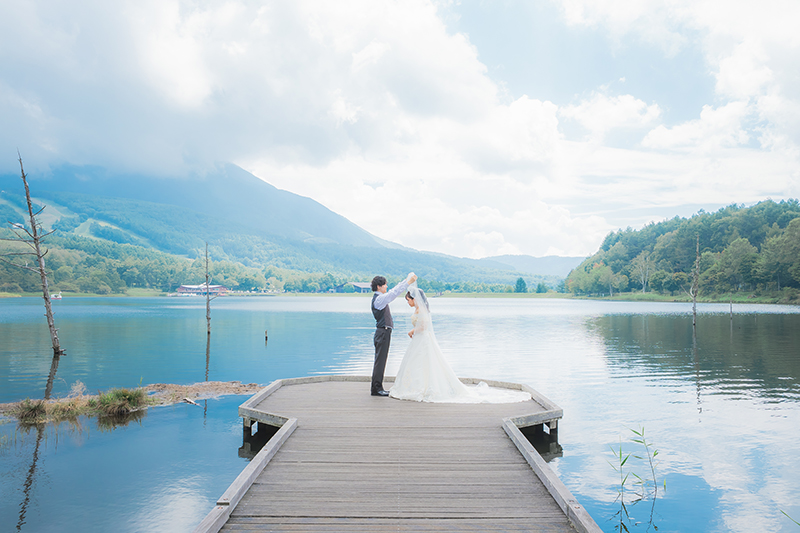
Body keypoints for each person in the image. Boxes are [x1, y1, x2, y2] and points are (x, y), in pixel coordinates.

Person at [389, 283, 531, 403]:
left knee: (425, 362)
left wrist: (413, 331)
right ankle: (414, 386)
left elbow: (424, 325)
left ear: (414, 299)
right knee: (417, 363)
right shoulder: (418, 309)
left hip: (423, 339)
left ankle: (423, 388)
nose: (408, 302)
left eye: (408, 300)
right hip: (419, 340)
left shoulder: (422, 310)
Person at [370, 272, 417, 396]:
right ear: (379, 286)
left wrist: (406, 280)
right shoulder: (379, 299)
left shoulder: (379, 298)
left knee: (380, 360)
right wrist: (407, 283)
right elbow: (394, 293)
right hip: (382, 332)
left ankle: (377, 387)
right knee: (380, 361)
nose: (386, 287)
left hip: (383, 332)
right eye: (385, 285)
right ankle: (377, 389)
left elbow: (393, 290)